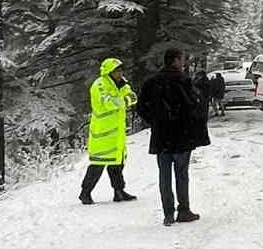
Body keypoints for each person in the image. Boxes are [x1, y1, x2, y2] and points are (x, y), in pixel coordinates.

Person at [137, 46, 210, 226]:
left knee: (164, 175)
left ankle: (168, 213)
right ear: (175, 60)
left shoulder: (152, 82)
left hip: (161, 136)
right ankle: (183, 210)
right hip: (181, 135)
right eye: (182, 59)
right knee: (181, 174)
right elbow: (196, 106)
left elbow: (141, 107)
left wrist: (154, 121)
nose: (184, 62)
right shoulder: (183, 81)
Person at [79, 57, 138, 205]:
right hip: (103, 133)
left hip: (117, 132)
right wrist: (125, 100)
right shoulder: (99, 85)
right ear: (109, 72)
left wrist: (125, 99)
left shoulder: (121, 83)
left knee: (117, 163)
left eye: (121, 70)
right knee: (98, 164)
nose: (120, 73)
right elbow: (109, 103)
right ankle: (85, 193)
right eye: (117, 70)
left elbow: (133, 96)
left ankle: (119, 191)